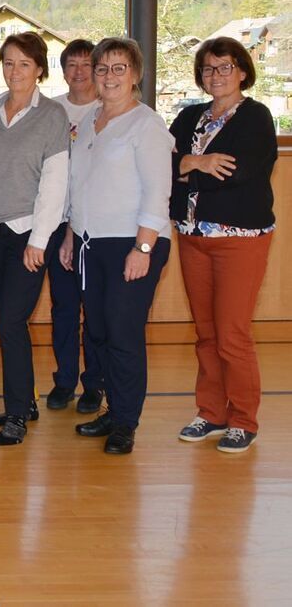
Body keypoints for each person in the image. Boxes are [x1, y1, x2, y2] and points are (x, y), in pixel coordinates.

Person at [60, 37, 173, 456]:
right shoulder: (90, 119)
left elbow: (158, 193)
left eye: (119, 68)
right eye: (102, 68)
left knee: (123, 334)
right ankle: (112, 409)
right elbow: (80, 185)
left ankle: (126, 422)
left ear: (136, 75)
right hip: (90, 242)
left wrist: (142, 249)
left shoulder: (147, 124)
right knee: (100, 331)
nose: (109, 76)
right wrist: (71, 233)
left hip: (133, 243)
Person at [170, 37, 278, 454]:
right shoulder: (189, 117)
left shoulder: (256, 117)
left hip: (240, 240)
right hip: (192, 236)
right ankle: (211, 412)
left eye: (225, 67)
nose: (216, 75)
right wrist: (197, 163)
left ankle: (244, 420)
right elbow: (162, 163)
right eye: (208, 68)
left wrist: (185, 169)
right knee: (206, 334)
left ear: (243, 71)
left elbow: (238, 173)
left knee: (232, 335)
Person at [0, 33, 70, 446]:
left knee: (11, 320)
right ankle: (25, 400)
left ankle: (16, 414)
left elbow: (55, 183)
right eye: (9, 62)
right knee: (9, 320)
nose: (15, 71)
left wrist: (40, 241)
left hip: (29, 235)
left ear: (40, 70)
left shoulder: (52, 116)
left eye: (24, 64)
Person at [45, 38, 104, 413]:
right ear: (63, 70)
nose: (79, 71)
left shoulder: (108, 108)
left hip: (96, 224)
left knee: (95, 309)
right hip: (57, 221)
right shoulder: (52, 110)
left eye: (87, 64)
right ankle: (65, 380)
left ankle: (94, 384)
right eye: (72, 64)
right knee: (64, 307)